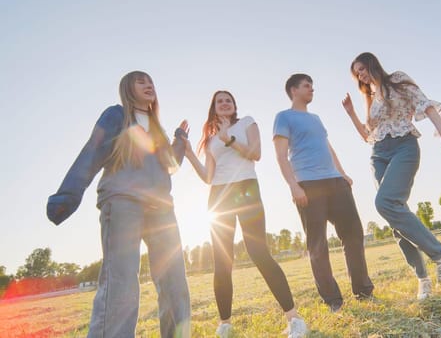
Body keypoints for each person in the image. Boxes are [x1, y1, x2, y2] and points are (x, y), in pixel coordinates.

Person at [46, 71, 191, 337]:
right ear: (127, 88)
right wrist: (66, 197)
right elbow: (92, 150)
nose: (149, 85)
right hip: (123, 202)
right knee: (121, 284)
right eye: (141, 81)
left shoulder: (156, 128)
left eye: (151, 81)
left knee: (175, 282)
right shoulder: (116, 116)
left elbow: (170, 166)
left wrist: (179, 140)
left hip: (161, 207)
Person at [183, 90, 307, 338]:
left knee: (259, 253)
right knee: (222, 260)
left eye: (228, 100)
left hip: (247, 188)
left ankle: (294, 319)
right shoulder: (210, 140)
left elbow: (256, 153)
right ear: (214, 108)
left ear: (234, 105)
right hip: (219, 195)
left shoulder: (247, 123)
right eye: (220, 101)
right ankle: (225, 324)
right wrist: (188, 153)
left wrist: (229, 140)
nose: (225, 103)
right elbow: (208, 177)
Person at [341, 52, 441, 300]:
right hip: (378, 154)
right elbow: (367, 135)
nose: (361, 75)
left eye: (362, 69)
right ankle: (423, 279)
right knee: (394, 216)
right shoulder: (371, 98)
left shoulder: (397, 79)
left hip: (404, 146)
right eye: (357, 73)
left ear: (373, 64)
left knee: (385, 203)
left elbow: (424, 104)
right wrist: (352, 113)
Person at [273, 74, 375, 312]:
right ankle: (333, 300)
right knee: (317, 245)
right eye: (307, 86)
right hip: (308, 184)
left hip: (335, 182)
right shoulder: (284, 117)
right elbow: (280, 156)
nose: (312, 89)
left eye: (312, 86)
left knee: (353, 235)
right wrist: (293, 185)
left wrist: (342, 173)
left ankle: (363, 291)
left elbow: (328, 148)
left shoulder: (316, 118)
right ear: (293, 90)